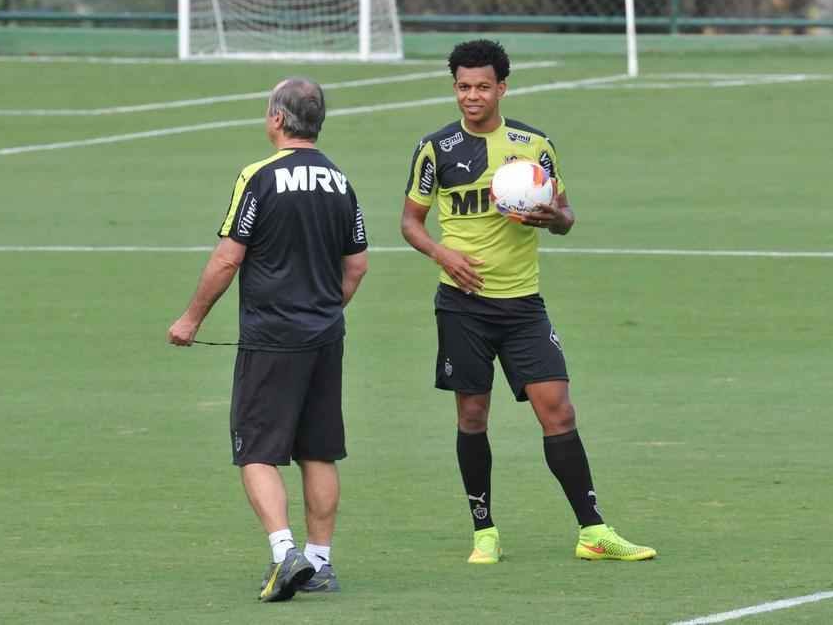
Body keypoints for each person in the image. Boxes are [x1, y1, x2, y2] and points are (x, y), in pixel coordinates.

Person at [400, 39, 655, 564]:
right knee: (472, 414)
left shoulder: (534, 146)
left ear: (503, 88)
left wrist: (553, 219)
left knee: (557, 410)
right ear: (455, 88)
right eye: (464, 87)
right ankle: (484, 530)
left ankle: (593, 530)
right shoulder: (436, 150)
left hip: (523, 307)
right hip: (463, 304)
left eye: (483, 87)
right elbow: (410, 222)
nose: (472, 96)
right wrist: (442, 255)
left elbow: (565, 217)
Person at [168, 77, 369, 601]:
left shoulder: (257, 177)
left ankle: (285, 556)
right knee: (318, 450)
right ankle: (320, 562)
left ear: (278, 120)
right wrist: (325, 309)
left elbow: (229, 256)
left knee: (255, 449)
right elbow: (357, 265)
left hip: (273, 336)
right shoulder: (340, 181)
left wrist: (191, 319)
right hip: (326, 335)